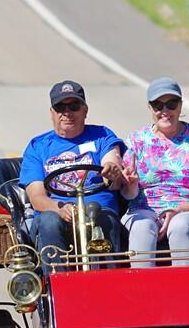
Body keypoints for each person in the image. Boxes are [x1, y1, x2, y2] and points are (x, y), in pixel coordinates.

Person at [19, 80, 127, 272]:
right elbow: (37, 197)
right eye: (60, 107)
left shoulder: (102, 135)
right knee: (48, 221)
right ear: (52, 113)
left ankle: (109, 286)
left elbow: (112, 163)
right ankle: (59, 288)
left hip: (97, 210)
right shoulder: (38, 146)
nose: (67, 113)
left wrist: (111, 170)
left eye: (73, 106)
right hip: (57, 212)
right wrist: (59, 208)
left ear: (85, 110)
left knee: (103, 219)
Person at [120, 77, 189, 267]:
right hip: (145, 210)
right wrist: (131, 185)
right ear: (150, 108)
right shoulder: (136, 140)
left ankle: (183, 292)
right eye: (158, 105)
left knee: (180, 225)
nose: (165, 111)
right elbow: (127, 194)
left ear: (180, 106)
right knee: (142, 227)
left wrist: (179, 210)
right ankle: (143, 292)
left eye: (171, 104)